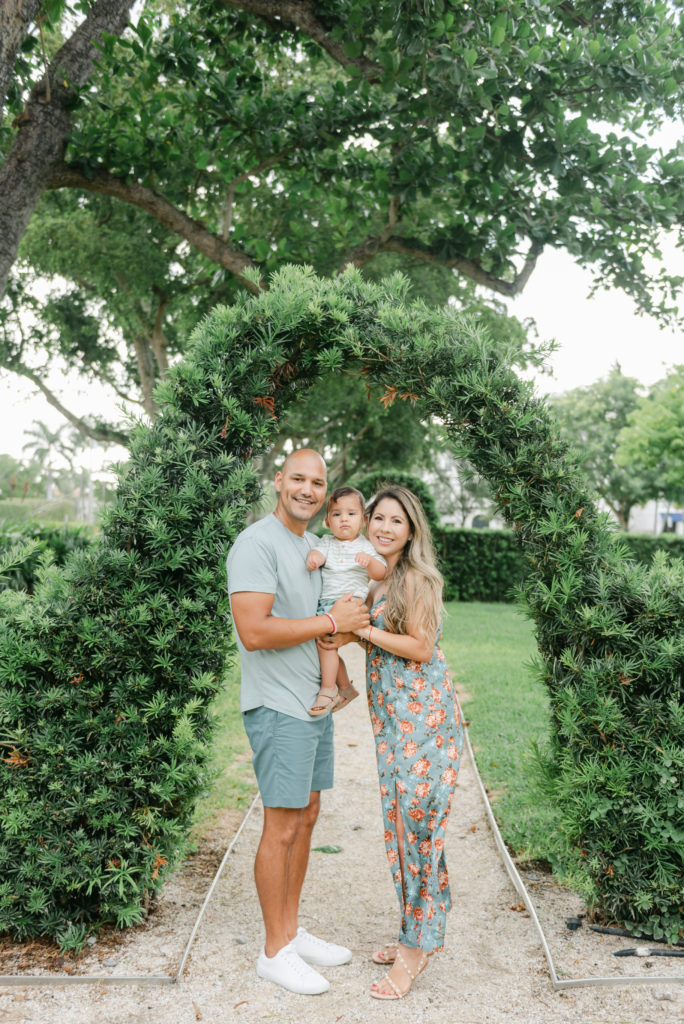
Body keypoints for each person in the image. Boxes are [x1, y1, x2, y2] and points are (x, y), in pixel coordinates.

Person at [226, 449, 370, 995]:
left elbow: (330, 619)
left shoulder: (314, 546)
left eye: (319, 482)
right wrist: (333, 620)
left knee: (306, 816)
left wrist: (347, 636)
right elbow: (255, 632)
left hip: (314, 701)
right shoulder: (257, 544)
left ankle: (290, 930)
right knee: (281, 823)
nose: (308, 490)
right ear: (279, 481)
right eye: (299, 479)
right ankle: (273, 951)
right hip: (278, 705)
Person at [319, 485, 464, 1000]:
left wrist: (365, 634)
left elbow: (421, 648)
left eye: (394, 521)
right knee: (401, 828)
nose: (382, 527)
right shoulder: (374, 581)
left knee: (418, 830)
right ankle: (417, 929)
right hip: (393, 723)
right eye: (376, 517)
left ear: (411, 530)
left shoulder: (416, 579)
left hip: (424, 725)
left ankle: (416, 950)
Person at [305, 485, 387, 716]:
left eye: (351, 514)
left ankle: (328, 689)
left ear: (363, 520)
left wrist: (369, 563)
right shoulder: (327, 542)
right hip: (327, 604)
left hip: (352, 603)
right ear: (328, 521)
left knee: (326, 646)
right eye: (337, 514)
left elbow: (380, 573)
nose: (344, 520)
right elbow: (318, 555)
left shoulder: (366, 546)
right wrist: (314, 557)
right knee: (325, 647)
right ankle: (345, 687)